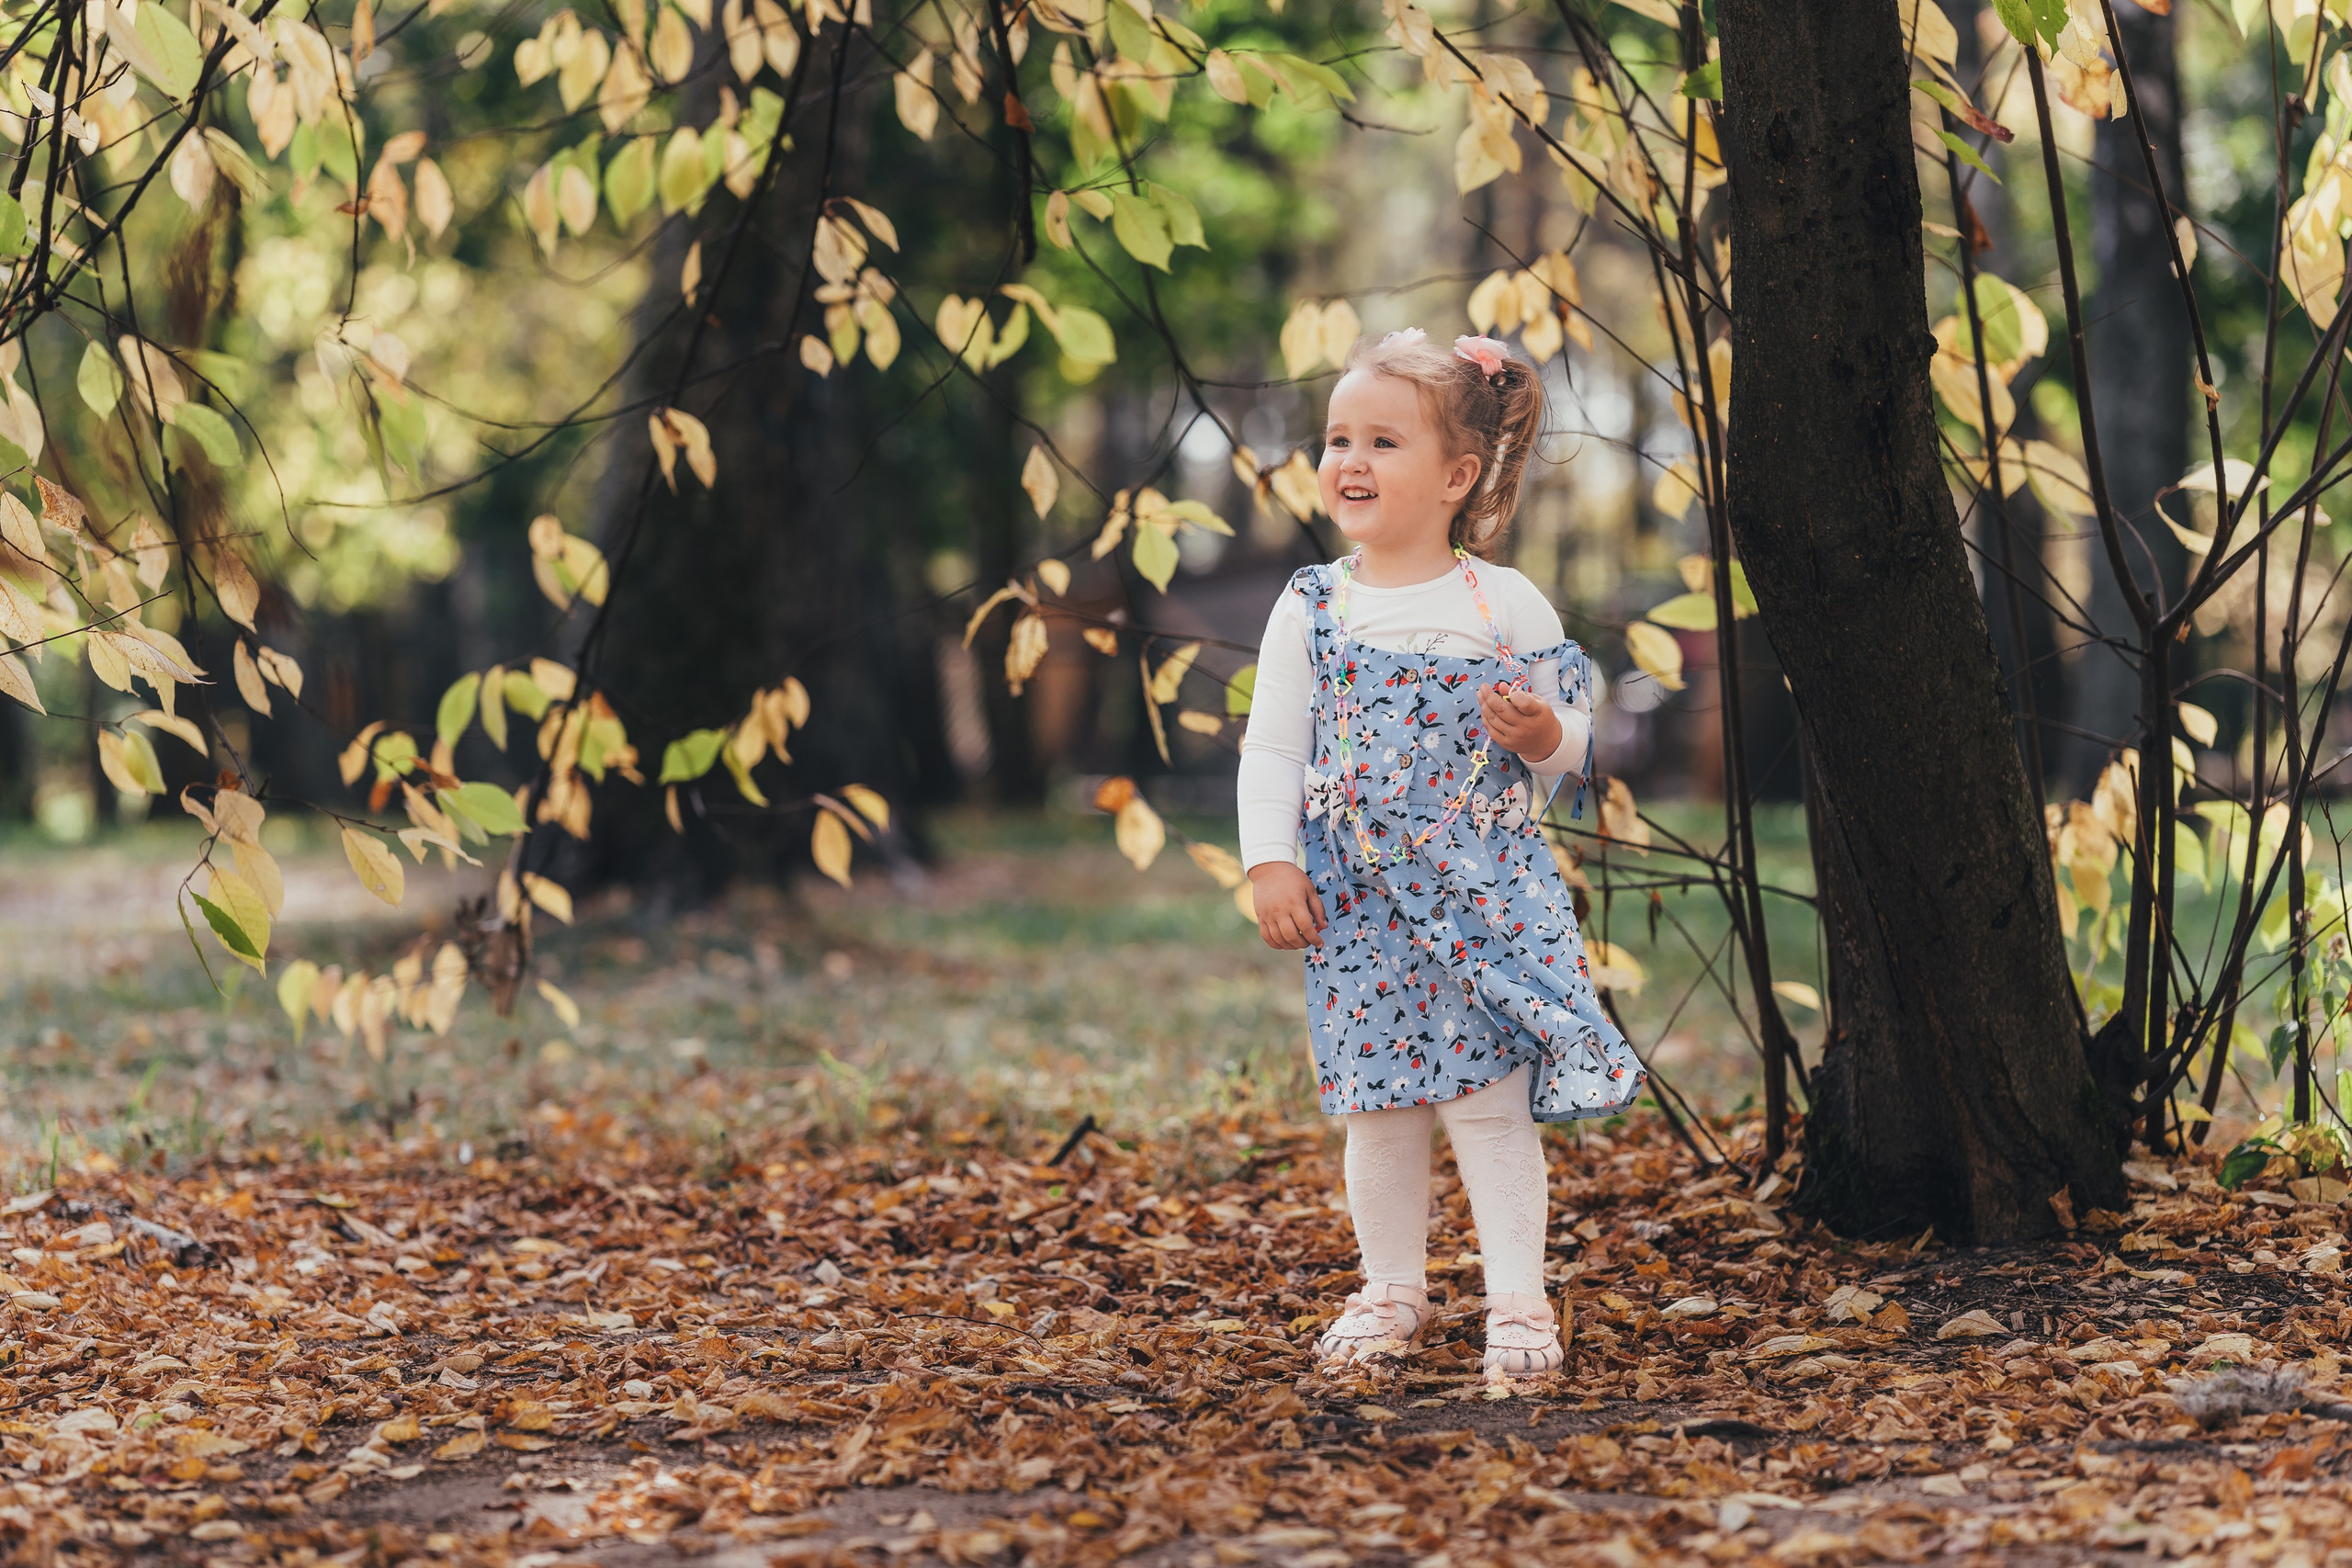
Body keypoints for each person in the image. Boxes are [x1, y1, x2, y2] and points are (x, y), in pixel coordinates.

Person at [1236, 328, 1646, 1377]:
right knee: (1378, 1107)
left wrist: (1538, 738)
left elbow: (1579, 745)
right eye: (1337, 439)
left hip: (1484, 896)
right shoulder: (1314, 605)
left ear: (1458, 475)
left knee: (1487, 1106)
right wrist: (1267, 860)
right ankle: (1390, 1291)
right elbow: (1275, 743)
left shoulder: (1502, 605)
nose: (1350, 462)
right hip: (1358, 901)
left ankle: (1516, 1300)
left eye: (1383, 440)